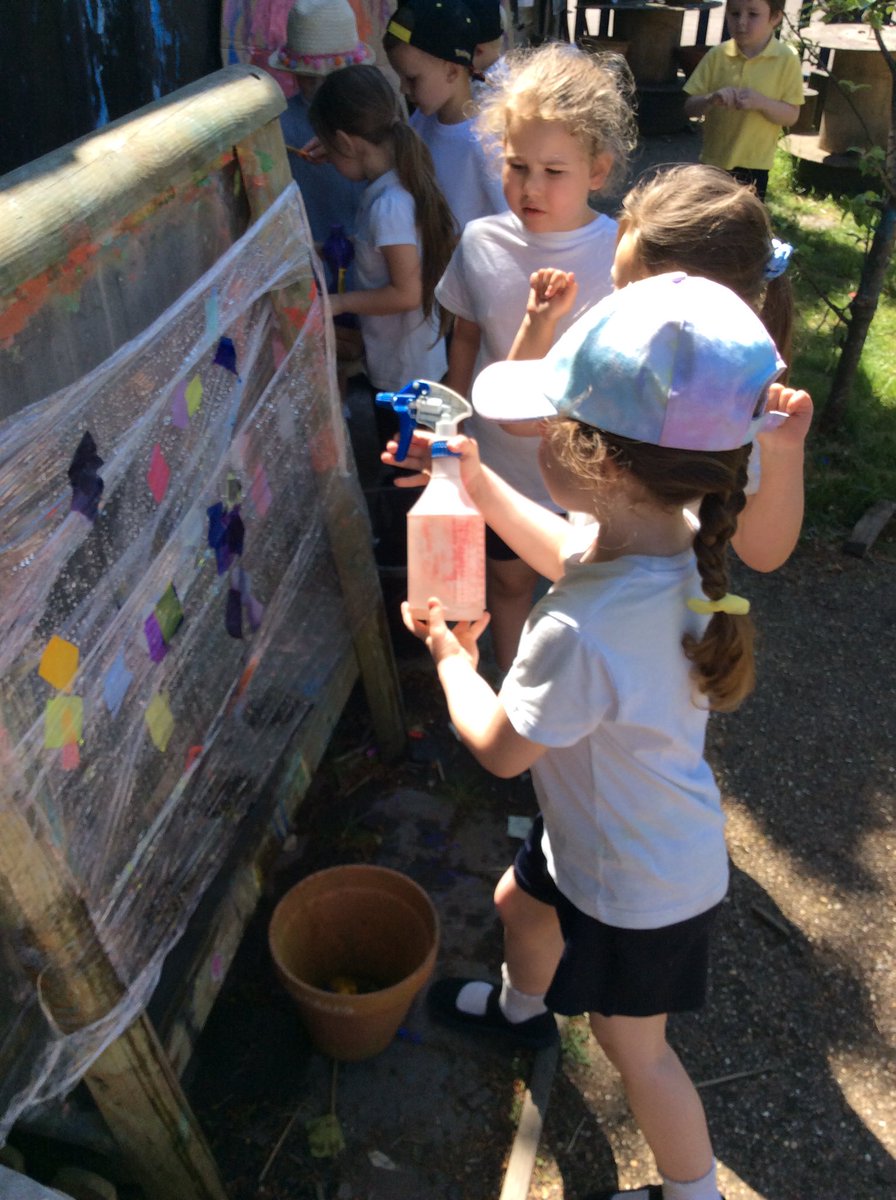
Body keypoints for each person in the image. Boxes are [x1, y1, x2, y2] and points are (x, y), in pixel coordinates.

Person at [394, 271, 787, 1200]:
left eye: (550, 430)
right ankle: (525, 1012)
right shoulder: (679, 537)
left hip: (634, 887)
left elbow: (496, 748)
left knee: (631, 1048)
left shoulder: (579, 632)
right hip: (617, 845)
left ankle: (693, 1191)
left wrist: (450, 654)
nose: (538, 445)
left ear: (598, 463)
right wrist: (475, 478)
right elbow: (563, 549)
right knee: (520, 906)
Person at [435, 41, 636, 671]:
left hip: (596, 477)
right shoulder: (479, 241)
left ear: (597, 170)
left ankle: (581, 709)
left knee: (590, 597)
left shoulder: (622, 256)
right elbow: (466, 333)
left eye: (555, 171)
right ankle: (514, 704)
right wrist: (452, 415)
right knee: (511, 584)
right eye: (517, 165)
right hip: (503, 467)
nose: (531, 186)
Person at [509, 163, 813, 573]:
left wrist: (785, 452)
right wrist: (538, 324)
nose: (616, 303)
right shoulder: (617, 356)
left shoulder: (736, 408)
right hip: (591, 576)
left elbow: (763, 552)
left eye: (634, 291)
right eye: (618, 286)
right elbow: (516, 417)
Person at [307, 64, 456, 398]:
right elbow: (382, 254)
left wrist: (338, 303)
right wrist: (330, 248)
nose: (329, 160)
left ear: (346, 141)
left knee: (402, 450)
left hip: (406, 375)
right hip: (403, 365)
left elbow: (407, 293)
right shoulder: (393, 186)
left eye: (331, 152)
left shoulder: (390, 206)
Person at [383, 0, 507, 230]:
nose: (403, 89)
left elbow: (513, 226)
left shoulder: (484, 142)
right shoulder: (421, 121)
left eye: (411, 79)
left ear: (451, 70)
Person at [271, 0, 374, 247]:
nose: (319, 88)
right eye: (309, 77)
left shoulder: (376, 112)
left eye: (330, 79)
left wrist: (353, 151)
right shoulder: (280, 125)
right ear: (294, 73)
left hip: (374, 262)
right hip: (310, 260)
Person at [682, 0, 804, 200]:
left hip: (755, 166)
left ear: (775, 17)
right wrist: (710, 99)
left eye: (753, 14)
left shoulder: (786, 59)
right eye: (734, 13)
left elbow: (791, 115)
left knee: (744, 229)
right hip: (714, 162)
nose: (741, 22)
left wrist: (762, 103)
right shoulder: (717, 55)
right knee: (706, 226)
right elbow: (689, 108)